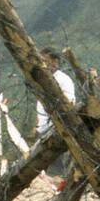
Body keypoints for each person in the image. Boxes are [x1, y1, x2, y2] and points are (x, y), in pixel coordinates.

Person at [34, 48, 79, 181]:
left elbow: (69, 104)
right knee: (41, 164)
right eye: (40, 61)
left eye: (45, 61)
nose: (43, 64)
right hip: (42, 128)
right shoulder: (41, 79)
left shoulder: (63, 80)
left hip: (56, 129)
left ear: (55, 62)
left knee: (55, 168)